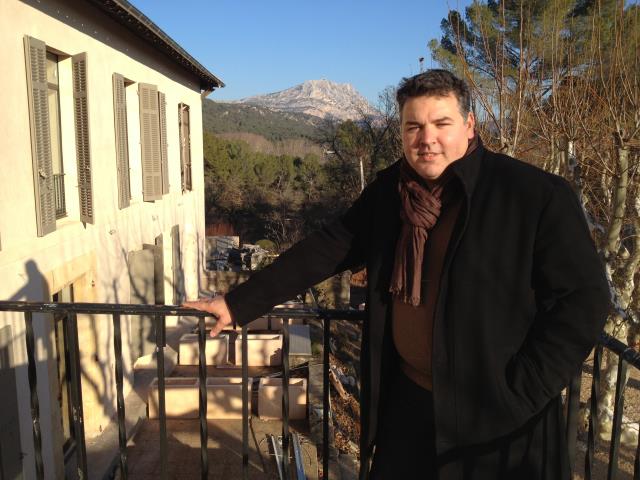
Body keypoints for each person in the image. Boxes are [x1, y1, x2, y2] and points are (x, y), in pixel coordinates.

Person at [185, 70, 610, 479]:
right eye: (413, 126)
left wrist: (521, 392)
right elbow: (326, 248)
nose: (426, 139)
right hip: (407, 401)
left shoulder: (532, 195)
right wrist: (238, 303)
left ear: (469, 125)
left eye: (441, 123)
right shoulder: (393, 192)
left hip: (497, 416)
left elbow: (583, 302)